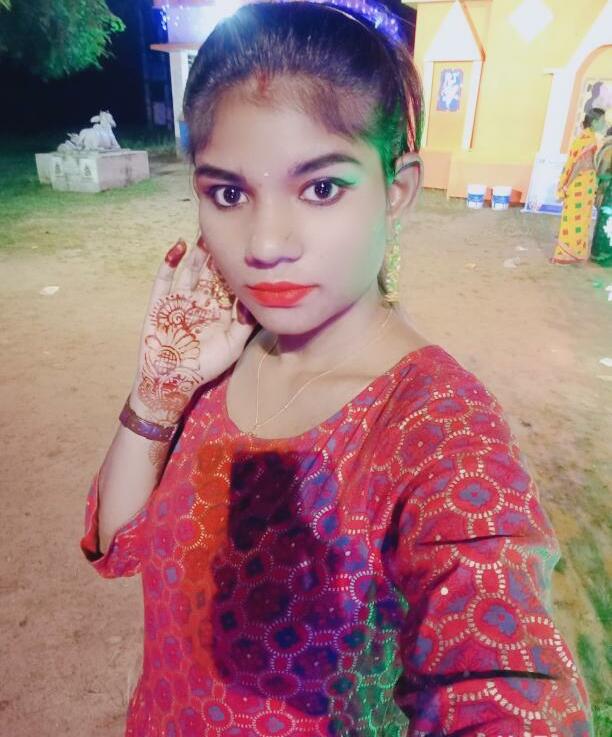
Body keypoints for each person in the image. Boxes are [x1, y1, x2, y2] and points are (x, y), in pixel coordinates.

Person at [80, 2, 592, 735]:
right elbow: (118, 544)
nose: (265, 244)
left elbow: (505, 681)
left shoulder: (437, 430)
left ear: (398, 189)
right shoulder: (220, 354)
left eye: (321, 188)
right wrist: (159, 391)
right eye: (229, 193)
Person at [551, 107, 607, 264]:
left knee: (578, 220)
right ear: (594, 122)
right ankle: (564, 255)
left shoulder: (585, 138)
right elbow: (580, 166)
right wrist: (566, 186)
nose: (605, 124)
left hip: (584, 187)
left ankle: (572, 254)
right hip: (579, 187)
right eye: (602, 121)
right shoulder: (588, 141)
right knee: (575, 220)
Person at [591, 124, 612, 267]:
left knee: (604, 223)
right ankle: (601, 256)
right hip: (607, 192)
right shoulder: (609, 150)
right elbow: (602, 172)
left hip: (606, 191)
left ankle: (599, 254)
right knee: (606, 224)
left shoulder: (606, 147)